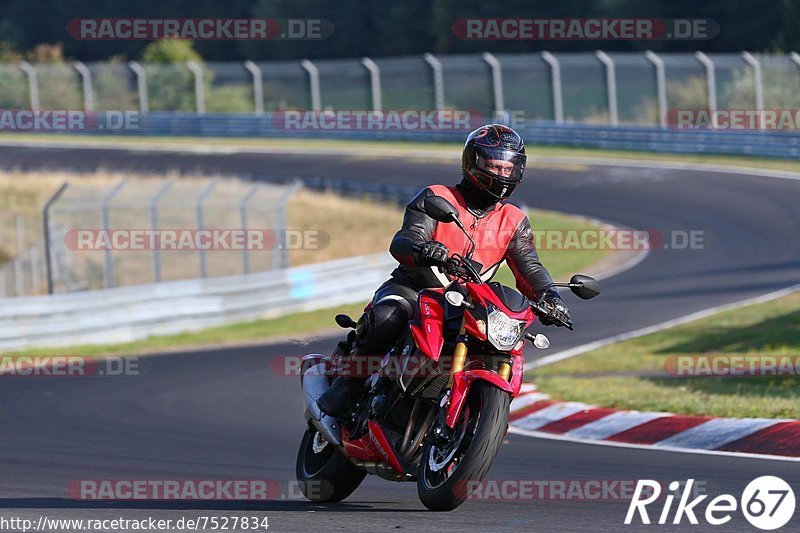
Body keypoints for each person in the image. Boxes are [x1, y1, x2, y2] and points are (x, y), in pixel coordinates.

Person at [317, 124, 570, 417]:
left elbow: (530, 266)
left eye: (508, 167)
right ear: (473, 162)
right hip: (415, 286)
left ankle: (473, 414)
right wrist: (424, 250)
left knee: (500, 346)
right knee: (388, 316)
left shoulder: (513, 220)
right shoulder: (437, 196)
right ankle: (348, 385)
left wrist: (550, 296)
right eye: (493, 164)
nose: (501, 174)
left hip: (467, 302)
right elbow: (404, 239)